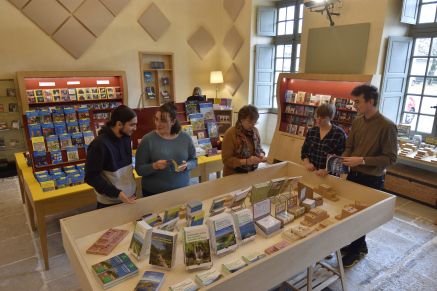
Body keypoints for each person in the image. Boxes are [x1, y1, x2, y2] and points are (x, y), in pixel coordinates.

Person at [341, 84, 397, 267]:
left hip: (372, 178)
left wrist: (362, 160)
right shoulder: (357, 121)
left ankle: (356, 250)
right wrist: (344, 157)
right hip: (353, 174)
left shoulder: (387, 126)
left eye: (358, 102)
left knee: (362, 217)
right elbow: (350, 145)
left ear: (370, 101)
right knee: (349, 212)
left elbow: (390, 158)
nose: (354, 105)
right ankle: (357, 244)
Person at [135, 102, 197, 196]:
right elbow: (139, 170)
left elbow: (194, 160)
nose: (158, 124)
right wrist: (155, 166)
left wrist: (187, 165)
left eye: (163, 121)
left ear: (173, 121)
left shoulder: (185, 138)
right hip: (154, 194)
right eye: (156, 119)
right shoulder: (147, 140)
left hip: (182, 190)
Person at [85, 105, 138, 209]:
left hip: (130, 197)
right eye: (132, 125)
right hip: (110, 203)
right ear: (119, 124)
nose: (135, 128)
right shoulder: (99, 145)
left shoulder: (126, 138)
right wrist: (116, 193)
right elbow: (91, 177)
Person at [301, 103, 347, 176]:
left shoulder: (339, 134)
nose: (318, 120)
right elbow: (304, 151)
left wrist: (327, 170)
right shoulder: (311, 131)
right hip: (312, 172)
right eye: (317, 116)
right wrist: (307, 163)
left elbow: (342, 157)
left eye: (322, 118)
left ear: (331, 118)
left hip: (329, 176)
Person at [222, 105, 266, 176]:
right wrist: (246, 161)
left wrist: (261, 155)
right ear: (241, 119)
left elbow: (260, 149)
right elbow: (226, 160)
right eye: (250, 122)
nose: (253, 125)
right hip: (233, 174)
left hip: (251, 173)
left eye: (255, 122)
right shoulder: (230, 133)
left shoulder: (255, 131)